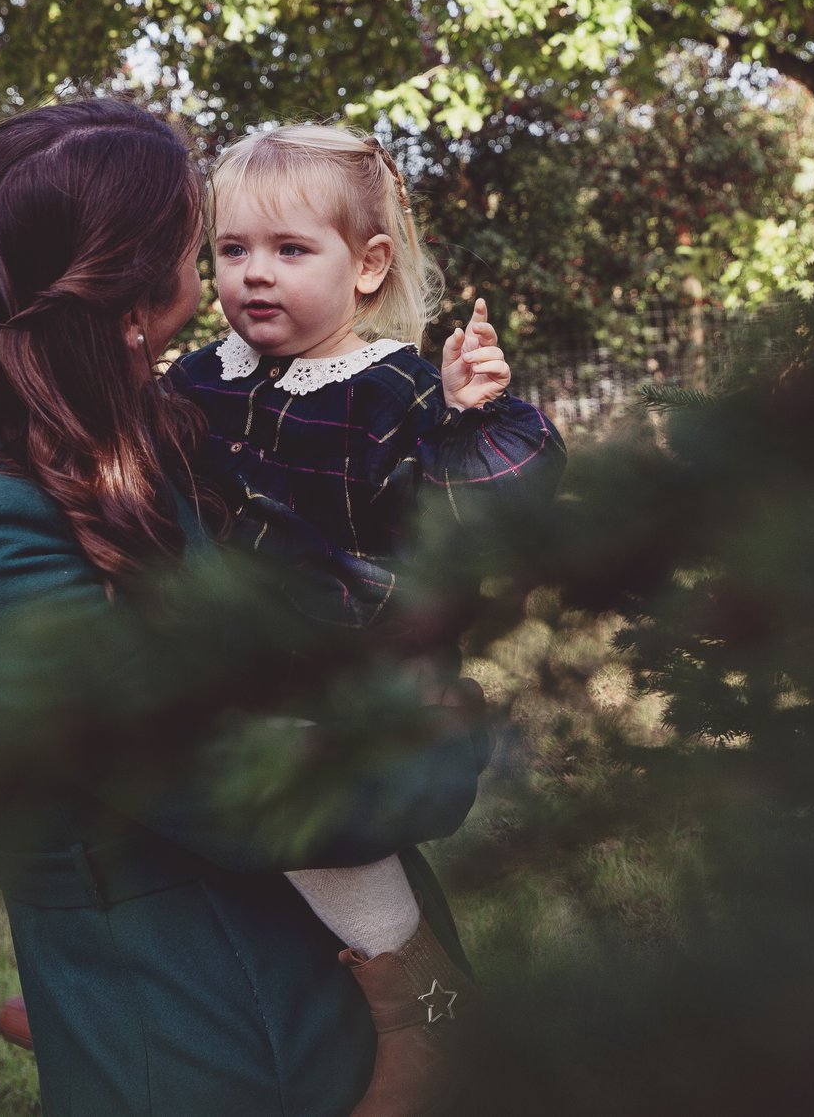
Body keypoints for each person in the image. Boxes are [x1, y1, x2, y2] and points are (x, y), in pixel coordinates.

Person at [0, 99, 491, 1117]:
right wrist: (441, 744)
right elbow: (218, 779)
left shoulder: (90, 415)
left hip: (291, 966)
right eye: (196, 238)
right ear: (125, 274)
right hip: (215, 1021)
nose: (216, 266)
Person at [168, 122, 566, 1115]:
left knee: (297, 805)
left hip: (355, 668)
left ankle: (425, 1003)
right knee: (129, 769)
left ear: (366, 264)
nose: (254, 274)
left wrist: (472, 413)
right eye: (232, 249)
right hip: (230, 655)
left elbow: (484, 518)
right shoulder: (197, 381)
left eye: (291, 249)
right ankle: (145, 989)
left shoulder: (392, 387)